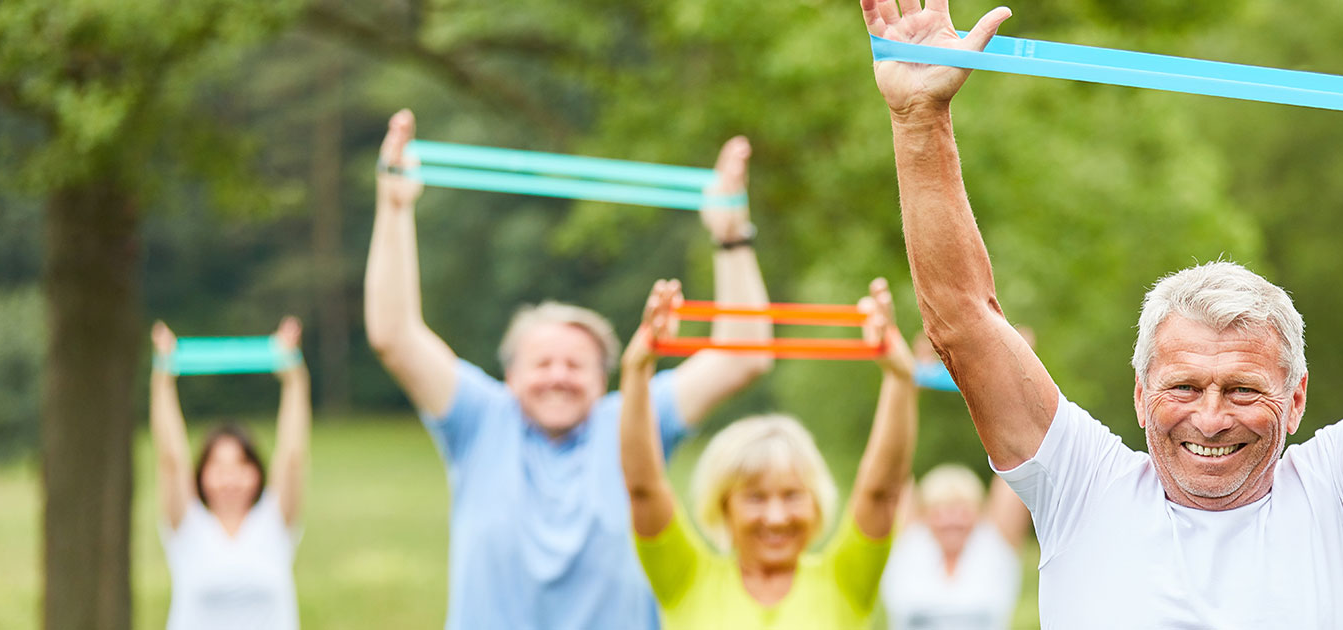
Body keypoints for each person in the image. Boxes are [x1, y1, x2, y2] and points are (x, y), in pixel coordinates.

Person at [859, 1, 1343, 625]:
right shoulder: (1081, 485)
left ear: (1298, 398)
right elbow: (964, 324)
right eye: (1183, 387)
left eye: (1244, 389)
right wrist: (918, 118)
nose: (1210, 417)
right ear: (1139, 395)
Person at [365, 110, 776, 629]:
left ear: (605, 378)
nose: (558, 376)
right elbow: (394, 337)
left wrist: (732, 239)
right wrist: (394, 207)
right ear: (510, 376)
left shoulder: (632, 421)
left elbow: (745, 355)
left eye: (575, 365)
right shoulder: (478, 417)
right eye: (542, 363)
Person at [621, 278, 916, 629]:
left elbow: (881, 492)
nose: (776, 517)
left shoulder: (844, 578)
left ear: (815, 502)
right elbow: (643, 488)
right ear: (724, 505)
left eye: (792, 495)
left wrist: (900, 378)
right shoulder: (686, 577)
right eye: (755, 498)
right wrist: (636, 370)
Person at [149, 318, 311, 630]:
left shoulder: (274, 523)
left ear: (257, 473)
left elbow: (292, 456)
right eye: (219, 468)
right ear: (201, 476)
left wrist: (294, 378)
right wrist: (163, 378)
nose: (230, 479)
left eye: (240, 467)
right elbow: (171, 458)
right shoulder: (187, 526)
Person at [880, 464, 1029, 630]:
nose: (951, 520)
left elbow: (1016, 464)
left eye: (962, 511)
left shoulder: (995, 548)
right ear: (923, 516)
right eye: (940, 512)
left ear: (980, 514)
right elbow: (890, 470)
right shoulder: (908, 547)